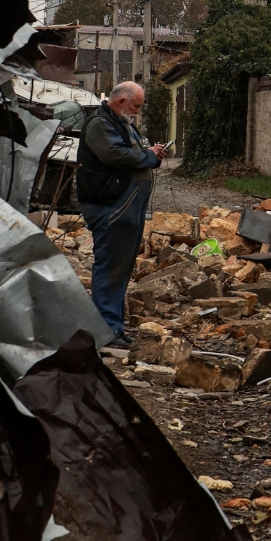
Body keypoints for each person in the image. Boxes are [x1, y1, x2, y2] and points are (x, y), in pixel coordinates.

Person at [78, 81, 170, 348]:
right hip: (112, 205)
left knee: (120, 267)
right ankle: (106, 330)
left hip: (125, 204)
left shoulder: (122, 122)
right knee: (110, 266)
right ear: (120, 102)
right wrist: (149, 157)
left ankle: (114, 327)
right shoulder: (100, 123)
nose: (138, 112)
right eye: (136, 106)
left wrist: (150, 153)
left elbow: (132, 152)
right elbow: (115, 155)